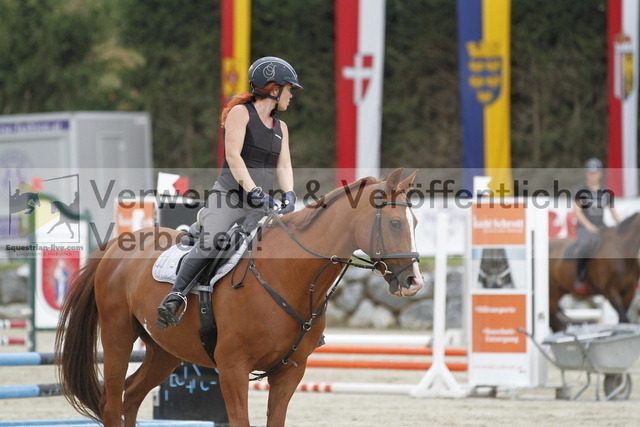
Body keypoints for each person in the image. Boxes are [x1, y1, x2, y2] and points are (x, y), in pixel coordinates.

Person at [156, 56, 301, 329]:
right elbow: (233, 156)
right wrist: (253, 190)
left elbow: (284, 165)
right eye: (289, 89)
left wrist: (290, 194)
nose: (291, 95)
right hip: (230, 197)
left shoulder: (281, 128)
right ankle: (175, 297)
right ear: (274, 88)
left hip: (261, 205)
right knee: (213, 240)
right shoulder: (241, 113)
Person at [572, 158, 621, 294]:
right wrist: (588, 226)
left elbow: (613, 211)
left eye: (595, 173)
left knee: (616, 244)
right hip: (584, 228)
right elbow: (577, 211)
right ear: (586, 174)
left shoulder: (606, 192)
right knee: (584, 246)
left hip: (601, 226)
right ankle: (579, 277)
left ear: (600, 174)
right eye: (590, 173)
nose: (592, 175)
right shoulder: (581, 191)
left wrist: (622, 225)